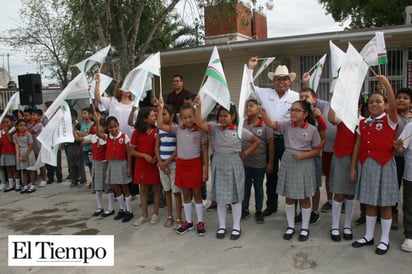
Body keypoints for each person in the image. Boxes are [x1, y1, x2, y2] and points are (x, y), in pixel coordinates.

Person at [195, 98, 260, 240]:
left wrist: (245, 153)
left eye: (226, 115)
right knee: (221, 197)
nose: (222, 118)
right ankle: (222, 226)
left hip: (235, 163)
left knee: (236, 197)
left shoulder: (239, 130)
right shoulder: (214, 128)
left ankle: (236, 226)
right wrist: (199, 107)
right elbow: (199, 123)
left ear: (233, 116)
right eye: (220, 115)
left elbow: (256, 141)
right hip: (219, 162)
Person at [350, 75, 399, 255]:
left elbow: (394, 106)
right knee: (370, 202)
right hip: (367, 165)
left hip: (385, 165)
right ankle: (369, 235)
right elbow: (357, 145)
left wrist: (386, 85)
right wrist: (353, 166)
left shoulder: (390, 119)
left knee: (385, 204)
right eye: (371, 102)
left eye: (378, 101)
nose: (374, 104)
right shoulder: (362, 122)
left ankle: (384, 238)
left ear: (385, 105)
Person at [261, 100, 321, 241]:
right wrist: (263, 114)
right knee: (289, 196)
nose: (292, 112)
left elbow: (317, 149)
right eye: (291, 110)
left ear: (305, 114)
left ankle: (305, 228)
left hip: (304, 164)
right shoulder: (286, 126)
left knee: (305, 197)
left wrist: (303, 155)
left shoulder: (312, 129)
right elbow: (271, 124)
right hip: (289, 161)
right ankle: (291, 226)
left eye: (296, 110)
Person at [248, 58, 299, 216]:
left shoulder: (296, 96)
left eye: (284, 79)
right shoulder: (264, 92)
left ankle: (294, 207)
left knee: (291, 175)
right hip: (269, 140)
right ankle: (271, 205)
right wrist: (250, 68)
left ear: (289, 81)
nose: (281, 82)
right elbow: (248, 87)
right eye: (278, 79)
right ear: (274, 81)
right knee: (270, 173)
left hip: (289, 140)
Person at [156, 98, 208, 236]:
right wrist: (160, 108)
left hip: (195, 164)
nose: (188, 120)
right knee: (185, 194)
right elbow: (160, 124)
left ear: (194, 116)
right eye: (185, 117)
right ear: (180, 118)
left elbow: (205, 151)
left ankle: (200, 222)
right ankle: (188, 221)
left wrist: (205, 170)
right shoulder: (178, 129)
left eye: (191, 116)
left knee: (197, 194)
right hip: (182, 165)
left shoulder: (200, 130)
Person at [302, 72, 337, 214]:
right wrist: (306, 83)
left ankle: (345, 201)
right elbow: (309, 99)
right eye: (333, 93)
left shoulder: (348, 106)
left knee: (343, 175)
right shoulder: (325, 105)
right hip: (327, 147)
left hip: (344, 148)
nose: (335, 95)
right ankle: (330, 200)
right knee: (328, 175)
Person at [327, 105, 361, 242]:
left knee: (350, 194)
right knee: (339, 193)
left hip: (357, 159)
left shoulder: (363, 121)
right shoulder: (342, 118)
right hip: (341, 157)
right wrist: (335, 102)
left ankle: (347, 226)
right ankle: (334, 226)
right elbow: (331, 119)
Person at [297, 87, 327, 225]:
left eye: (306, 96)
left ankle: (314, 211)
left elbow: (323, 136)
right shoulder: (296, 116)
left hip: (313, 157)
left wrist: (316, 150)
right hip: (299, 157)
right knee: (300, 185)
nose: (303, 99)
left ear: (314, 100)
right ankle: (302, 211)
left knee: (314, 186)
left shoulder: (317, 116)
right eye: (301, 96)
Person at [241, 99, 274, 224]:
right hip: (245, 162)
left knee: (259, 187)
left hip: (259, 163)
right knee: (245, 186)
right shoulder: (243, 123)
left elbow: (271, 146)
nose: (248, 108)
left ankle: (259, 210)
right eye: (246, 106)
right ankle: (244, 209)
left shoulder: (265, 125)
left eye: (251, 106)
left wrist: (270, 163)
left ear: (258, 108)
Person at [95, 115, 133, 222]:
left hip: (122, 164)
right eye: (111, 128)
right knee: (116, 187)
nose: (114, 129)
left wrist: (129, 167)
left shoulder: (124, 137)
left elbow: (129, 153)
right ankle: (122, 209)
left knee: (125, 187)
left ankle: (129, 211)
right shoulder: (108, 137)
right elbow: (98, 133)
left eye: (115, 126)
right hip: (112, 164)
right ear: (107, 128)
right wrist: (98, 121)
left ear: (118, 126)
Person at [130, 107, 161, 226]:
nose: (154, 118)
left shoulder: (157, 131)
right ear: (144, 119)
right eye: (152, 116)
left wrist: (156, 157)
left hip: (154, 164)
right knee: (142, 189)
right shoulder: (136, 132)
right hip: (142, 164)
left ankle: (156, 213)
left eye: (155, 115)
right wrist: (144, 155)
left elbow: (159, 146)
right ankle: (144, 214)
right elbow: (132, 151)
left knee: (156, 188)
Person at [74, 113, 109, 217]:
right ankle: (99, 207)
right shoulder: (92, 137)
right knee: (98, 186)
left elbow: (99, 134)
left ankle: (110, 207)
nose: (97, 128)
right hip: (96, 163)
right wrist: (72, 130)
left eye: (100, 126)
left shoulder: (107, 137)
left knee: (109, 187)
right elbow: (79, 139)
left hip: (106, 163)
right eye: (95, 126)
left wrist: (97, 121)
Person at [154, 104, 182, 228]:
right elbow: (156, 147)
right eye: (161, 114)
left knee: (176, 192)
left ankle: (179, 218)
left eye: (164, 114)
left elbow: (178, 149)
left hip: (173, 165)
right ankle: (170, 216)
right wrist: (160, 163)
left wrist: (166, 163)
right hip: (162, 166)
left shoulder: (176, 129)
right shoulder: (159, 130)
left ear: (171, 115)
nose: (162, 117)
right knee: (167, 192)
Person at [392, 88, 412, 229]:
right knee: (394, 187)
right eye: (399, 97)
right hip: (395, 156)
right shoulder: (393, 116)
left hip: (409, 158)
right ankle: (393, 214)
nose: (401, 100)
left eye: (405, 98)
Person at [394, 121, 412, 252]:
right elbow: (401, 148)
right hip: (410, 174)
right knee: (409, 205)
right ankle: (410, 235)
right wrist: (397, 146)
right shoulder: (410, 126)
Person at [13, 119, 37, 194]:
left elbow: (30, 145)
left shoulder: (28, 134)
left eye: (24, 125)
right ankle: (25, 185)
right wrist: (18, 156)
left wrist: (26, 156)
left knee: (31, 169)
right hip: (21, 151)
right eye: (20, 125)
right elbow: (16, 146)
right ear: (17, 126)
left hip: (28, 152)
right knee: (24, 170)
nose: (22, 127)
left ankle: (32, 184)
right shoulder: (15, 135)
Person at [65, 109, 86, 187]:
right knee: (71, 164)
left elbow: (81, 137)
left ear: (74, 117)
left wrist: (80, 148)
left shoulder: (78, 125)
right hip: (69, 146)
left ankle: (83, 179)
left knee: (79, 164)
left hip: (77, 145)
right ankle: (74, 180)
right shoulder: (67, 126)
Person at [1, 115, 19, 192]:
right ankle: (11, 184)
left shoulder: (13, 130)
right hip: (4, 152)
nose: (5, 124)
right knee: (8, 169)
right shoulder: (1, 132)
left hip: (11, 152)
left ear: (12, 122)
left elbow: (11, 141)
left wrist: (7, 132)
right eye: (3, 122)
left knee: (14, 169)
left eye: (7, 122)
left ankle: (17, 184)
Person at [30, 109, 47, 187]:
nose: (32, 116)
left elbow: (30, 130)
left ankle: (44, 179)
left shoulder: (39, 124)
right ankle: (35, 179)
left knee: (41, 164)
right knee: (34, 163)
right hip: (33, 147)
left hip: (38, 147)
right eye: (32, 115)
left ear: (39, 116)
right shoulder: (33, 123)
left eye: (34, 115)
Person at [79, 107, 94, 176]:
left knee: (92, 166)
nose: (83, 115)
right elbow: (81, 138)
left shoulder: (93, 124)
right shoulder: (82, 125)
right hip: (84, 149)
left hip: (91, 149)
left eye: (85, 113)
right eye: (82, 113)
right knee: (89, 166)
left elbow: (93, 137)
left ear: (90, 114)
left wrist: (87, 141)